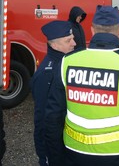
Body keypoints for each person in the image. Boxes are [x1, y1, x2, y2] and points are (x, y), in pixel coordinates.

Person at [44, 5, 119, 166]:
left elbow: (53, 117)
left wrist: (55, 159)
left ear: (92, 31)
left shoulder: (66, 62)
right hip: (118, 155)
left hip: (74, 153)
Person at [30, 20, 76, 166]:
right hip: (53, 148)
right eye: (68, 40)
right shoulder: (46, 74)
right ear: (54, 45)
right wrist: (47, 155)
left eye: (73, 38)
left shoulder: (65, 63)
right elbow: (43, 119)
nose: (74, 43)